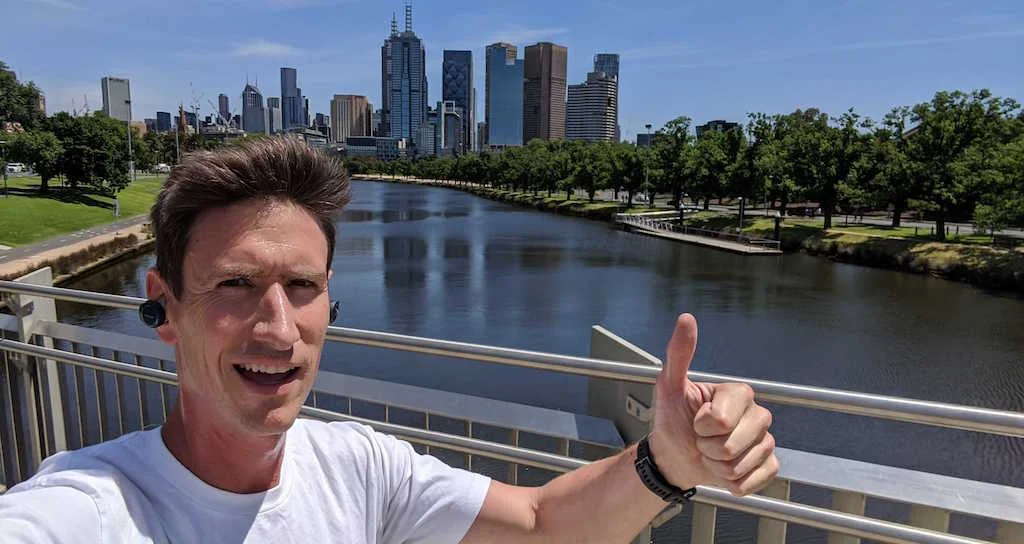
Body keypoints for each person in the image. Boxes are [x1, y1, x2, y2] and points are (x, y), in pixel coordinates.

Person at [0, 138, 778, 543]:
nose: (278, 327)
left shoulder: (359, 468)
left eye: (302, 287)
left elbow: (545, 525)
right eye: (235, 285)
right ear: (164, 307)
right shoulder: (89, 511)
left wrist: (667, 462)